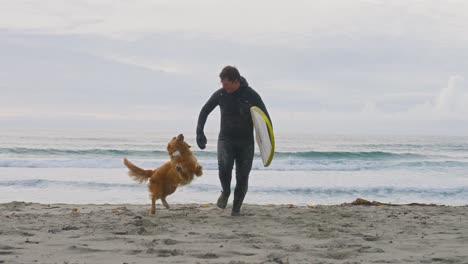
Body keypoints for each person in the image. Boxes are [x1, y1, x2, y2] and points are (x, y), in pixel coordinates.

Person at [196, 66, 272, 216]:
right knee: (224, 169)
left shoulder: (251, 95)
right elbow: (205, 110)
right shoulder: (221, 94)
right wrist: (200, 132)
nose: (223, 87)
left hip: (246, 143)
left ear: (235, 81)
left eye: (226, 84)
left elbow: (265, 118)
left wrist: (267, 143)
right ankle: (225, 192)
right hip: (226, 140)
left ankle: (236, 210)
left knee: (242, 177)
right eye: (222, 84)